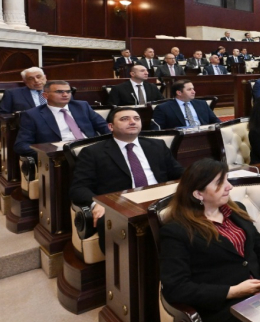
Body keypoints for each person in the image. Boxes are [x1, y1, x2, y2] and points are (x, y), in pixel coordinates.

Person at [159, 159, 260, 322]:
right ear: (198, 194)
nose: (229, 186)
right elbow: (176, 288)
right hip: (223, 306)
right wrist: (232, 291)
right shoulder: (176, 231)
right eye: (220, 183)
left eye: (227, 179)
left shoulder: (236, 209)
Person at [70, 107, 181, 249]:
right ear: (111, 126)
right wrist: (96, 204)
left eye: (136, 118)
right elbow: (79, 188)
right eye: (124, 119)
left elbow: (177, 172)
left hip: (160, 198)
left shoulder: (157, 145)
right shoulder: (93, 152)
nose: (132, 122)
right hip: (121, 205)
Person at [14, 80, 110, 155]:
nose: (65, 95)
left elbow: (104, 128)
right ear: (45, 95)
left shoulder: (82, 106)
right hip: (62, 155)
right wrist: (47, 153)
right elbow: (21, 145)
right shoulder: (32, 115)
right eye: (59, 92)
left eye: (68, 91)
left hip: (92, 149)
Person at [151, 80, 220, 130]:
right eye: (189, 89)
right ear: (179, 93)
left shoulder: (202, 104)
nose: (194, 92)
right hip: (181, 140)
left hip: (204, 135)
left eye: (193, 89)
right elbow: (157, 129)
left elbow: (215, 121)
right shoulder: (163, 108)